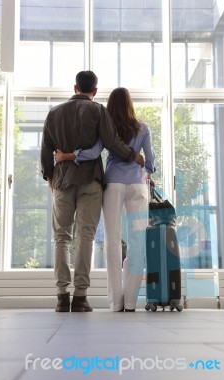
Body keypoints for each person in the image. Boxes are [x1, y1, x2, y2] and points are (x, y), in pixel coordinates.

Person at [41, 72, 144, 312]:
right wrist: (134, 155)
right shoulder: (98, 111)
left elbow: (46, 148)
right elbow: (110, 142)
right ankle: (80, 297)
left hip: (62, 180)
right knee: (85, 237)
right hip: (90, 181)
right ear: (95, 91)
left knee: (62, 238)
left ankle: (61, 296)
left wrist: (49, 176)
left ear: (75, 87)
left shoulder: (54, 113)